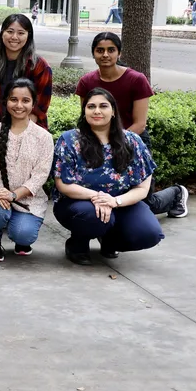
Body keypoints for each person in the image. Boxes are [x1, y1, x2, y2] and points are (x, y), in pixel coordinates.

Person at [75, 32, 188, 217]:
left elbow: (140, 124)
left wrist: (114, 144)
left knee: (143, 204)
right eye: (100, 50)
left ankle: (177, 193)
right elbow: (87, 118)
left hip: (133, 140)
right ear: (93, 53)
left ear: (119, 53)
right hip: (98, 142)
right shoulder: (87, 82)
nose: (105, 55)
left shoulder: (136, 80)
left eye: (111, 50)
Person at [52, 88, 165, 265]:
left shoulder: (132, 141)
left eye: (103, 106)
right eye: (91, 106)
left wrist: (114, 201)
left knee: (149, 233)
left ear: (113, 111)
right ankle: (77, 245)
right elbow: (63, 184)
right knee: (94, 217)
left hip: (120, 202)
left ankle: (109, 241)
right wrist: (99, 197)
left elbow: (142, 188)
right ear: (84, 111)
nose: (97, 111)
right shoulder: (69, 140)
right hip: (78, 204)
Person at [0, 79, 54, 261]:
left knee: (23, 234)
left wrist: (13, 195)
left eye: (25, 100)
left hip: (28, 201)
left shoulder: (43, 137)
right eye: (14, 99)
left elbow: (40, 176)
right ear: (6, 102)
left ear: (33, 104)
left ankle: (20, 233)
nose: (19, 105)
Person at [0, 13, 52, 130]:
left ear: (28, 36)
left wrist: (18, 134)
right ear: (2, 33)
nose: (14, 37)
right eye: (10, 31)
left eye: (21, 33)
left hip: (31, 130)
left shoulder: (40, 66)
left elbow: (39, 108)